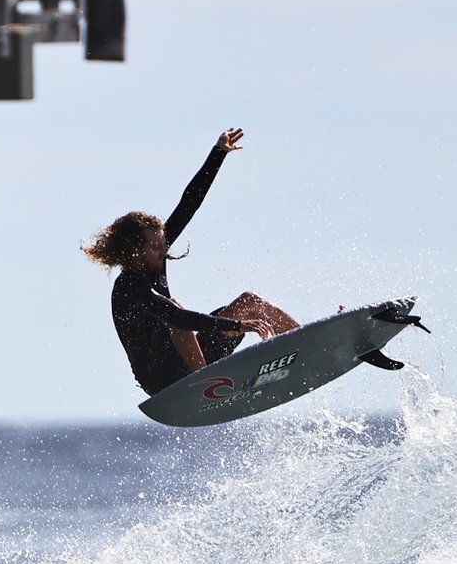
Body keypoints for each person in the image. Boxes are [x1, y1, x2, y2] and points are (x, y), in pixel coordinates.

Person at [82, 128, 302, 397]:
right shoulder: (128, 286)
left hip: (189, 360)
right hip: (160, 378)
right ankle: (206, 385)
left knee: (250, 302)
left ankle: (309, 344)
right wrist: (235, 326)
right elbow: (176, 318)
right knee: (176, 311)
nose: (163, 252)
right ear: (134, 251)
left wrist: (218, 153)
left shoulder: (156, 257)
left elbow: (190, 203)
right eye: (155, 247)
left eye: (163, 245)